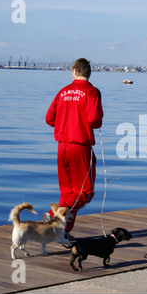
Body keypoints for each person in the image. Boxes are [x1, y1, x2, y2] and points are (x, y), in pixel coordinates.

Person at [44, 58, 103, 239]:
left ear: (75, 71)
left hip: (62, 147)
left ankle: (62, 232)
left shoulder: (62, 92)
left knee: (68, 192)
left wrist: (65, 124)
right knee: (85, 193)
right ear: (88, 72)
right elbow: (94, 119)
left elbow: (49, 118)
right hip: (80, 146)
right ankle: (54, 214)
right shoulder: (92, 92)